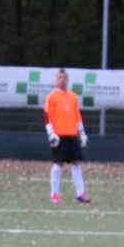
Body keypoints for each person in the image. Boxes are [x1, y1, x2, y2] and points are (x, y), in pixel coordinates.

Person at [44, 68, 90, 204]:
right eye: (60, 77)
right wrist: (51, 133)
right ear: (56, 80)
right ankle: (54, 194)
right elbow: (47, 116)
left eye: (64, 77)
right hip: (58, 136)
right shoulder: (52, 96)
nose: (62, 79)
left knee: (76, 162)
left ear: (68, 79)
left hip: (72, 134)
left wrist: (82, 133)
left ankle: (80, 193)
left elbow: (77, 116)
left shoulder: (73, 96)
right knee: (59, 163)